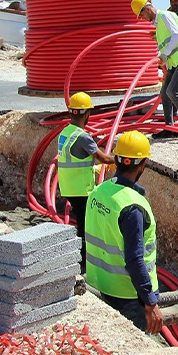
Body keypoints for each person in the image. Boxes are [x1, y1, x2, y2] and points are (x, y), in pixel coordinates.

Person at [84, 130, 163, 334]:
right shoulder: (132, 206)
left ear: (117, 160)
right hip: (129, 295)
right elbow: (135, 260)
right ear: (143, 164)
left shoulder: (98, 191)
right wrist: (150, 303)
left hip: (100, 285)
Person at [56, 91, 116, 272]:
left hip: (69, 186)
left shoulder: (65, 132)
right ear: (87, 113)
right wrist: (120, 159)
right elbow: (104, 158)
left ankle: (81, 259)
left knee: (82, 222)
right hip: (81, 190)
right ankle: (82, 262)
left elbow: (75, 161)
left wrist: (95, 170)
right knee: (85, 226)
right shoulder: (82, 137)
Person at [131, 0, 178, 135]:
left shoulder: (165, 16)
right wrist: (164, 63)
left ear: (148, 9)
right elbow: (164, 46)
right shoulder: (158, 25)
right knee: (164, 92)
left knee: (172, 91)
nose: (141, 18)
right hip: (175, 62)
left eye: (141, 14)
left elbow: (176, 35)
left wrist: (165, 54)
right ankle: (169, 128)